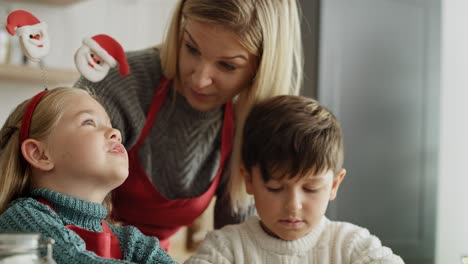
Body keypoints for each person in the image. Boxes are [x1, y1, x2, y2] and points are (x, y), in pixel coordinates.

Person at [74, 0, 304, 250]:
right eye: (192, 49)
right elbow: (63, 205)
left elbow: (238, 243)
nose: (200, 79)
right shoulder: (120, 83)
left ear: (261, 67)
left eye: (227, 65)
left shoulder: (247, 122)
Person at [185, 95, 405, 263]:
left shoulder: (350, 245)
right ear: (249, 180)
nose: (293, 205)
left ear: (334, 184)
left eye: (311, 188)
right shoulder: (226, 248)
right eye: (274, 188)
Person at [0, 87, 176, 264]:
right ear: (39, 154)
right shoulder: (21, 219)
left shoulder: (129, 241)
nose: (116, 133)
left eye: (110, 124)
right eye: (89, 122)